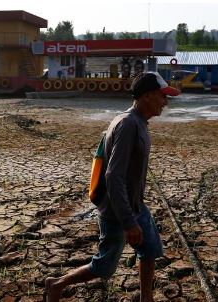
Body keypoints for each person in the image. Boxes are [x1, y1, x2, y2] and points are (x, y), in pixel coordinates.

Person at [45, 72, 180, 302]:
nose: (165, 102)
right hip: (118, 212)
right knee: (104, 266)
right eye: (162, 96)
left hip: (135, 206)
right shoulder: (128, 125)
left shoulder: (137, 122)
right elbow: (114, 175)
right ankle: (56, 284)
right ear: (147, 96)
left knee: (151, 249)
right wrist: (128, 222)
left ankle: (145, 298)